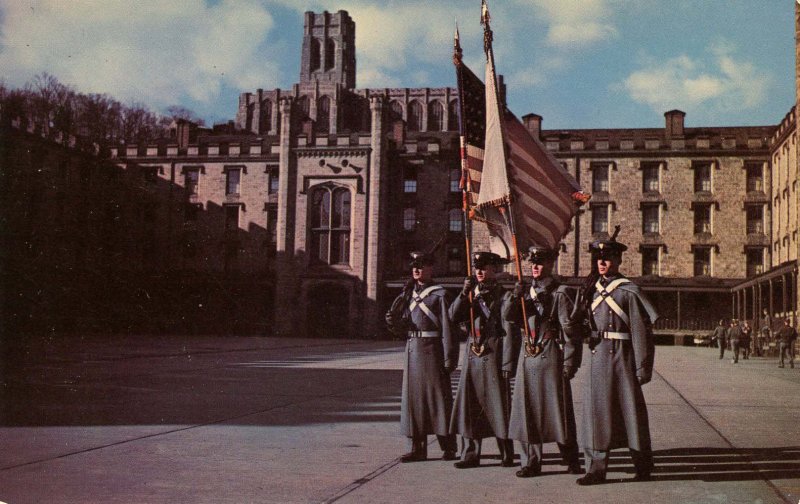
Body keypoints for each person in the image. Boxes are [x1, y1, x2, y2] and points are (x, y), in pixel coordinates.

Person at [577, 232, 659, 486]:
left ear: (618, 259)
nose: (602, 263)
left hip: (622, 359)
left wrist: (642, 366)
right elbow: (576, 324)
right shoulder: (589, 289)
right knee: (596, 414)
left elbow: (640, 330)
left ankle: (642, 465)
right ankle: (596, 469)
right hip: (597, 357)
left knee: (631, 412)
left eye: (608, 258)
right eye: (598, 258)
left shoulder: (628, 291)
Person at [503, 245, 584, 477]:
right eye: (532, 262)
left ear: (550, 264)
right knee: (526, 410)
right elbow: (508, 318)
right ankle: (531, 461)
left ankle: (571, 459)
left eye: (540, 262)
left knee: (558, 409)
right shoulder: (524, 291)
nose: (535, 267)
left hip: (550, 353)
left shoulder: (560, 292)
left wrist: (570, 362)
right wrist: (513, 297)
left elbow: (570, 330)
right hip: (528, 354)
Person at [385, 251, 458, 462]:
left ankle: (448, 446)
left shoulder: (440, 295)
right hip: (413, 350)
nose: (416, 269)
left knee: (438, 400)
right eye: (414, 265)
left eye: (421, 265)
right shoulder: (407, 293)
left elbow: (448, 328)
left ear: (431, 268)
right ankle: (418, 448)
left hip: (432, 351)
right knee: (414, 401)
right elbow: (402, 326)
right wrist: (393, 322)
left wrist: (449, 358)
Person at [449, 251, 515, 469]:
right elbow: (453, 316)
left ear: (493, 270)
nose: (479, 271)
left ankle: (506, 450)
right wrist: (463, 293)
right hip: (473, 351)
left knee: (498, 405)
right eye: (477, 268)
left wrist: (507, 362)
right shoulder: (470, 293)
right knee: (470, 403)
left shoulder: (502, 295)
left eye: (484, 268)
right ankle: (470, 453)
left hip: (493, 351)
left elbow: (508, 329)